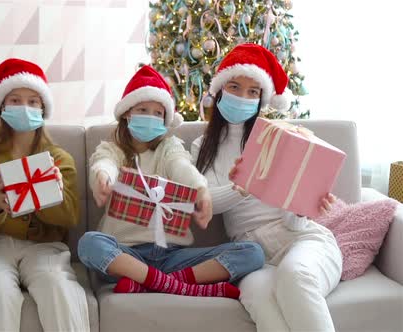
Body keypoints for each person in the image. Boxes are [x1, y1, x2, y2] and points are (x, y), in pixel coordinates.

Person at [78, 65, 264, 298]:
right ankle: (179, 286)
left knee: (252, 253)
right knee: (89, 243)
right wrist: (103, 177)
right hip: (125, 256)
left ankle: (156, 282)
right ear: (127, 113)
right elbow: (104, 163)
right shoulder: (112, 148)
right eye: (143, 109)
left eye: (158, 113)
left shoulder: (170, 147)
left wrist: (200, 190)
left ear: (166, 118)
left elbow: (181, 167)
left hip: (171, 257)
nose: (151, 117)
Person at [192, 43, 341, 331]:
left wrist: (305, 205)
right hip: (251, 254)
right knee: (262, 302)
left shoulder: (278, 138)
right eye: (234, 87)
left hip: (302, 240)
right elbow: (204, 204)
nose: (242, 97)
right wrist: (242, 186)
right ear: (220, 90)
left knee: (294, 275)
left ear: (262, 99)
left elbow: (294, 223)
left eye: (253, 92)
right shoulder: (201, 148)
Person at [0, 58, 90, 332]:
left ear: (43, 108)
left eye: (33, 101)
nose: (25, 107)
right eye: (16, 100)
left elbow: (70, 216)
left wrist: (51, 193)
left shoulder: (59, 158)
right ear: (1, 106)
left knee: (57, 284)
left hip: (44, 249)